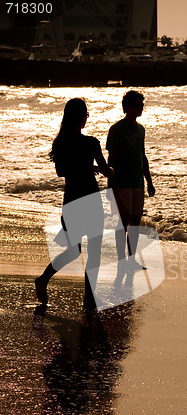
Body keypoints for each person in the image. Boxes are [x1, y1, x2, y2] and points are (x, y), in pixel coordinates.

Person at [35, 98, 113, 308]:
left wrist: (83, 168)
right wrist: (104, 170)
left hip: (72, 200)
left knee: (73, 250)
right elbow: (107, 171)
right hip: (91, 199)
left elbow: (62, 172)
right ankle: (89, 301)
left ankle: (43, 279)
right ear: (81, 117)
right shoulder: (91, 143)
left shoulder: (60, 143)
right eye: (86, 115)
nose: (87, 118)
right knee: (94, 252)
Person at [106, 90, 155, 273]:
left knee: (136, 220)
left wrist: (149, 181)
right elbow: (113, 159)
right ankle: (121, 260)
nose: (139, 108)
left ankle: (132, 258)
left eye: (141, 105)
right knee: (123, 221)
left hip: (137, 182)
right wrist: (111, 186)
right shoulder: (117, 129)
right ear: (126, 107)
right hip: (122, 182)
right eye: (136, 105)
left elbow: (142, 156)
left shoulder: (141, 129)